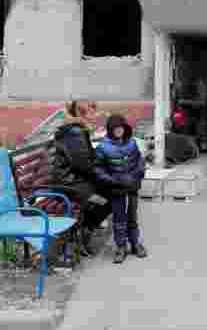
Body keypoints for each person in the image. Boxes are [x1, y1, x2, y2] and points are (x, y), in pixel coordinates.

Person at [50, 100, 115, 256]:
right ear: (82, 114)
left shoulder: (77, 130)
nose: (96, 115)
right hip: (68, 183)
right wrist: (103, 175)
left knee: (113, 190)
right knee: (108, 197)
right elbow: (83, 165)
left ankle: (85, 230)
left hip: (74, 179)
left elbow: (86, 161)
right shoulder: (75, 132)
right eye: (93, 112)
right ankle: (84, 231)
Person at [94, 113, 148, 263]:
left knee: (132, 216)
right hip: (116, 188)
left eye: (121, 128)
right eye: (116, 129)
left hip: (132, 186)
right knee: (119, 218)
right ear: (110, 130)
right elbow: (98, 169)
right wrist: (112, 180)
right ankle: (121, 247)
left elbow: (140, 161)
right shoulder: (103, 148)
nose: (119, 131)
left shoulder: (132, 143)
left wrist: (137, 175)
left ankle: (135, 243)